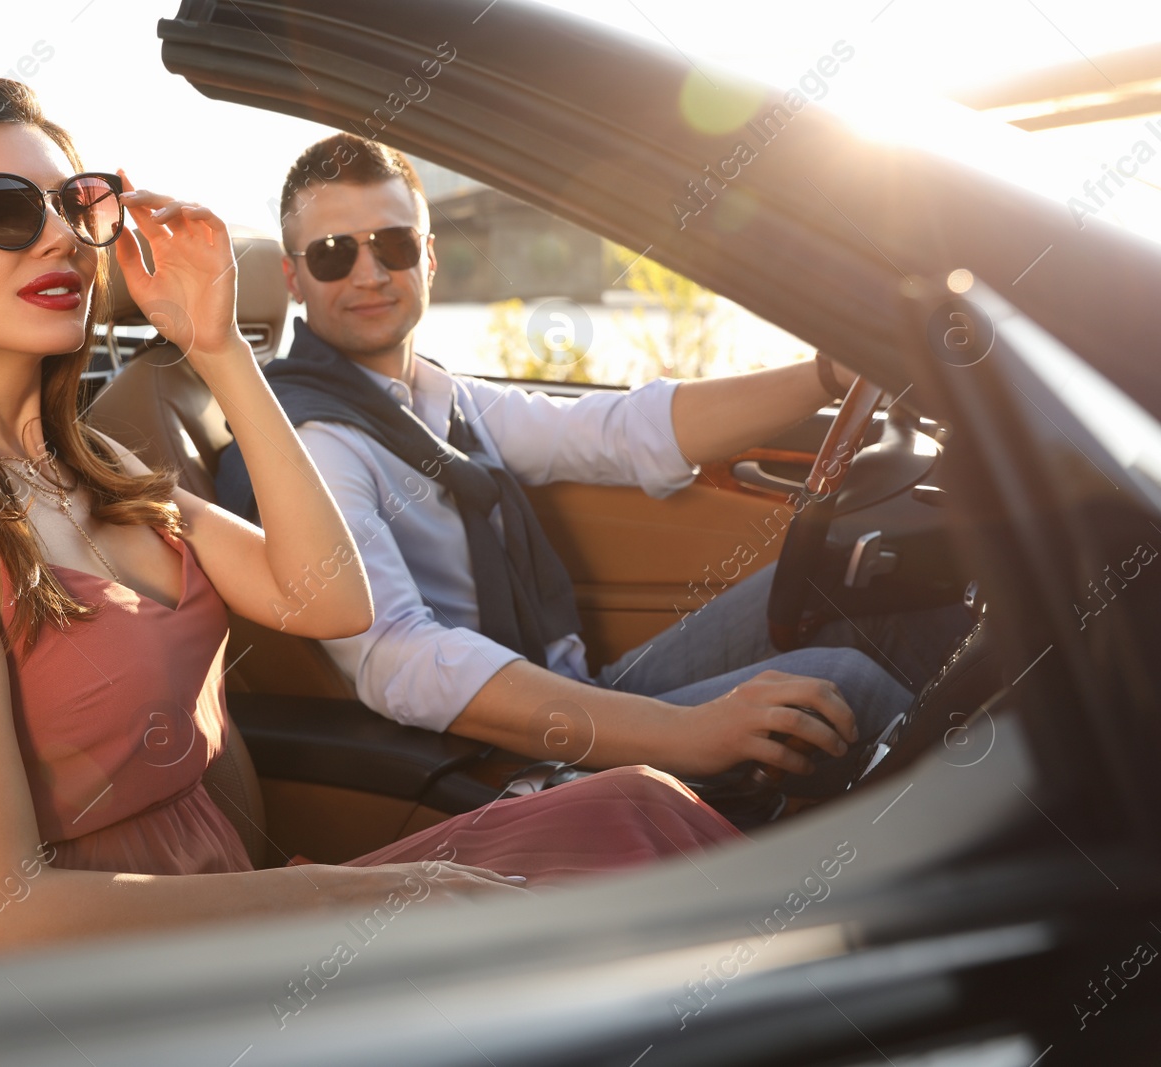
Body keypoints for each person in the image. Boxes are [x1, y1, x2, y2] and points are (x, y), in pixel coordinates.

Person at [0, 80, 744, 956]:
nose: (59, 239)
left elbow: (332, 600)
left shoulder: (97, 470)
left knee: (634, 806)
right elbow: (10, 915)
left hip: (260, 914)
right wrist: (365, 894)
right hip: (137, 988)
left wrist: (222, 348)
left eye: (77, 206)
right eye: (3, 208)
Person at [217, 133, 970, 803]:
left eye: (394, 245)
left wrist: (828, 376)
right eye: (333, 254)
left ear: (430, 254)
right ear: (293, 278)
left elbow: (617, 431)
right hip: (501, 756)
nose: (370, 273)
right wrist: (686, 734)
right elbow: (401, 660)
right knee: (844, 690)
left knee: (871, 585)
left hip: (573, 688)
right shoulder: (316, 436)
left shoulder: (435, 398)